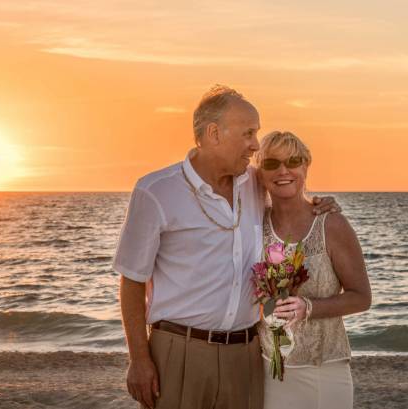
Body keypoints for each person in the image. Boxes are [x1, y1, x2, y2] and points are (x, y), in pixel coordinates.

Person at [113, 85, 341, 409]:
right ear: (214, 134)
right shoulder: (156, 191)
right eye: (248, 133)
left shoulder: (255, 184)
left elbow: (289, 194)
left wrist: (319, 204)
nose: (255, 144)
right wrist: (138, 358)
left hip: (245, 354)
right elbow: (132, 280)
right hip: (179, 352)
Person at [255, 131, 371, 409]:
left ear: (306, 166)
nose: (283, 170)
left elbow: (361, 297)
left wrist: (308, 307)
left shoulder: (331, 225)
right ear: (260, 173)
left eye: (293, 161)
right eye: (272, 164)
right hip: (268, 370)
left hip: (324, 369)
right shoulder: (253, 225)